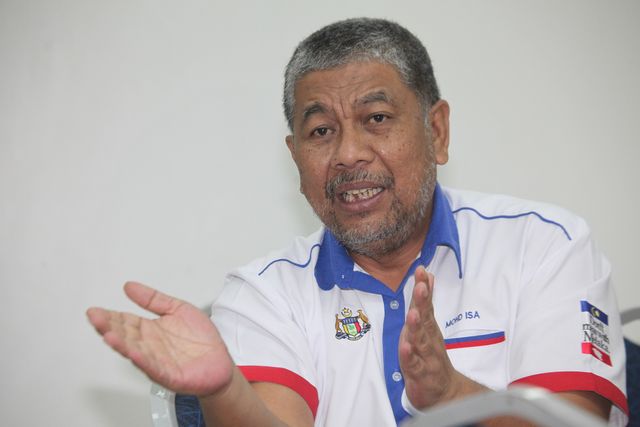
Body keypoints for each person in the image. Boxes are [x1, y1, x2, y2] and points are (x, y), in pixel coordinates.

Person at [87, 18, 628, 426]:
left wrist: (452, 394)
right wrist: (224, 390)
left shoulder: (544, 247)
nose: (348, 154)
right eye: (321, 131)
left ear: (437, 132)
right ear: (296, 156)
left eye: (376, 118)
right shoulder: (263, 295)